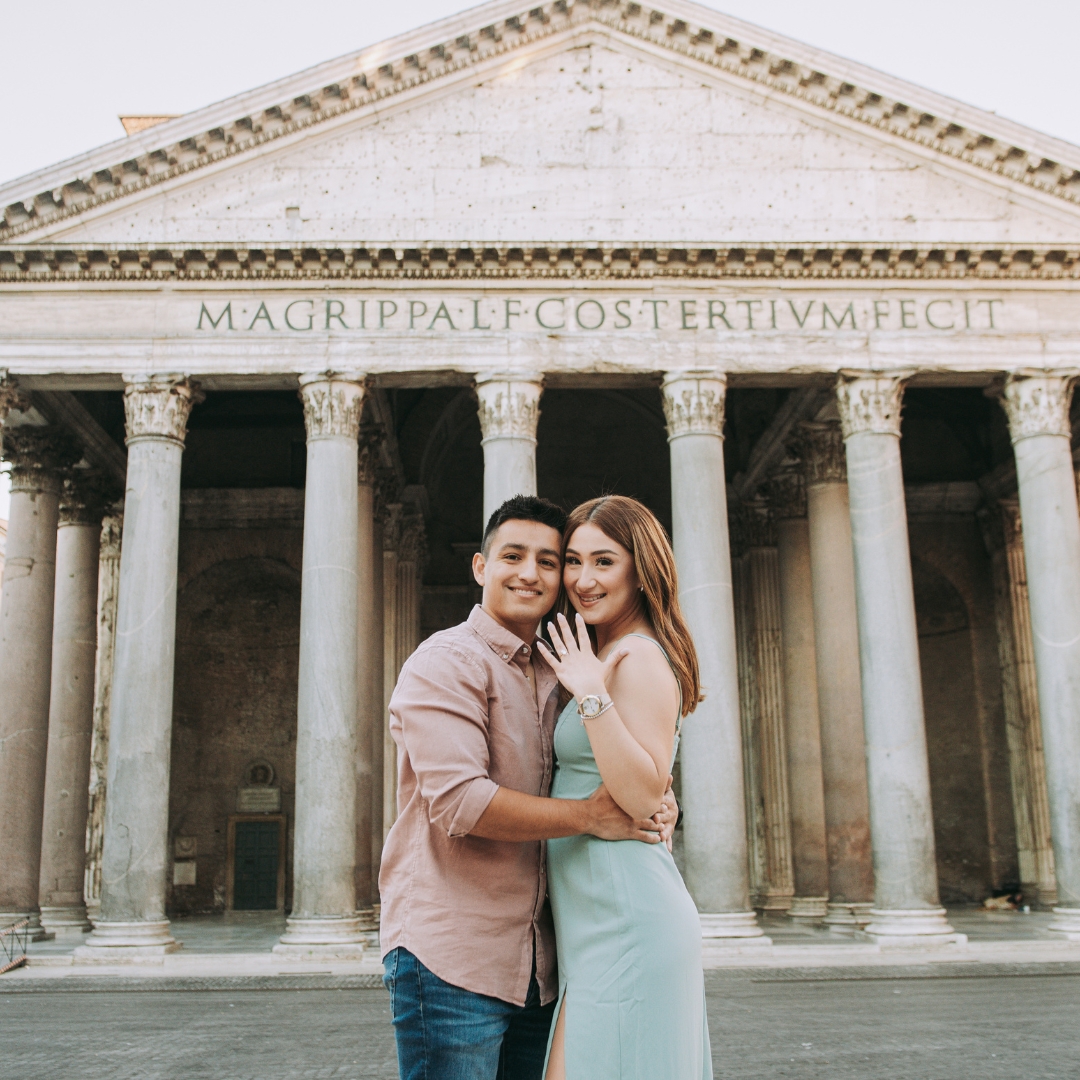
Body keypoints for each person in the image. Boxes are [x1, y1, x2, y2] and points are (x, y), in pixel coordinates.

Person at [379, 494, 678, 1080]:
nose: (531, 573)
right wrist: (590, 817)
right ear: (480, 567)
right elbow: (460, 803)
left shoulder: (563, 667)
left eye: (549, 560)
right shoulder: (445, 661)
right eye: (513, 555)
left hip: (545, 965)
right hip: (453, 959)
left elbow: (592, 767)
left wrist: (657, 801)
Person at [535, 495, 712, 1080]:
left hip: (629, 925)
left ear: (642, 569)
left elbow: (641, 795)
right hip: (597, 929)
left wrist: (588, 692)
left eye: (604, 562)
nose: (583, 580)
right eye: (574, 561)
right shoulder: (608, 651)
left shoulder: (635, 657)